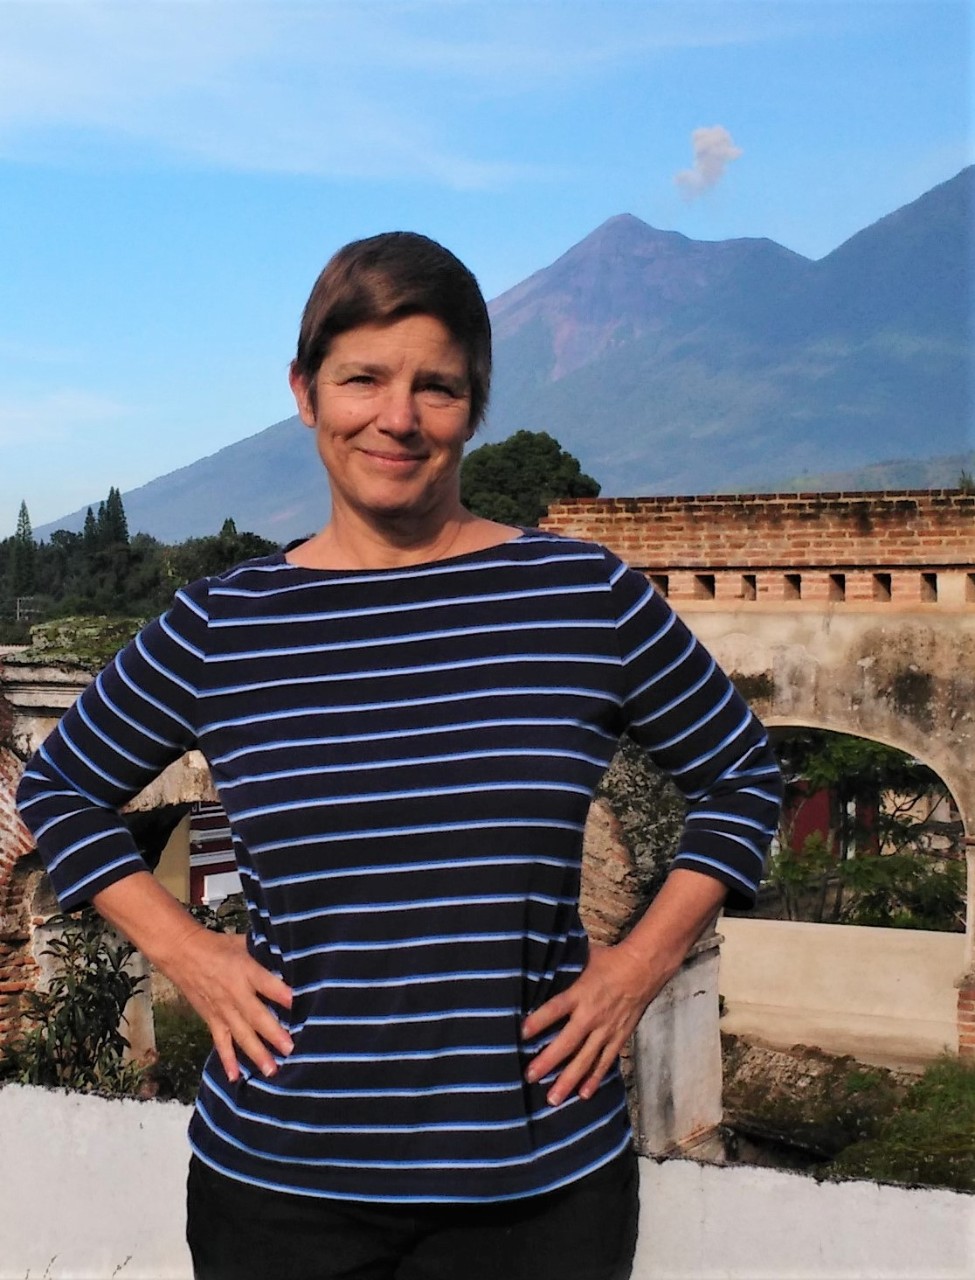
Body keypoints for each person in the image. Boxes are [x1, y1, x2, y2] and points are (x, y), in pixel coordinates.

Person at [17, 232, 782, 1280]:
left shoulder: (582, 598)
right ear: (305, 391)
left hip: (541, 1189)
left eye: (438, 386)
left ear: (474, 406)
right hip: (279, 1192)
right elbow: (60, 782)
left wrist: (639, 968)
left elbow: (742, 772)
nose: (398, 417)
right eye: (362, 378)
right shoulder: (223, 625)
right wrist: (190, 953)